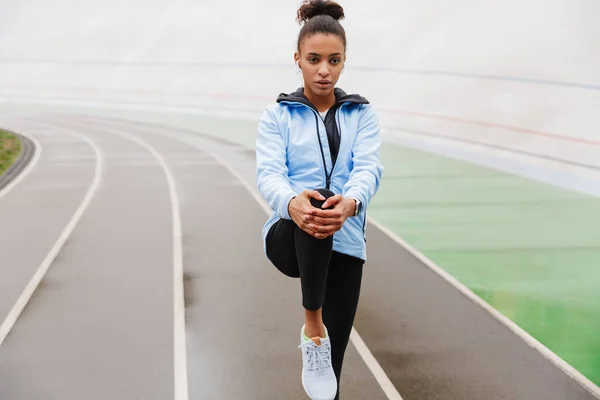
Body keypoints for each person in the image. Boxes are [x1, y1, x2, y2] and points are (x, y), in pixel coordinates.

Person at [255, 0, 383, 398]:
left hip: (344, 244)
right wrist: (293, 202)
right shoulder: (277, 115)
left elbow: (369, 168)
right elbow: (269, 174)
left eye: (334, 60)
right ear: (298, 59)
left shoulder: (361, 114)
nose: (324, 70)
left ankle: (321, 350)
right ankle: (313, 326)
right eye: (314, 59)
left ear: (344, 62)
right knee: (319, 198)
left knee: (329, 379)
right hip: (288, 238)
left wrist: (352, 204)